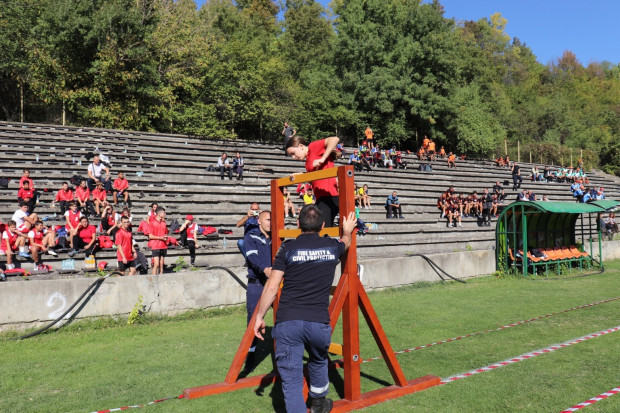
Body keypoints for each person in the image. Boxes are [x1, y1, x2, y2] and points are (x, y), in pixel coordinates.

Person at [253, 206, 356, 413]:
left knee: (291, 381)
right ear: (323, 226)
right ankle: (318, 403)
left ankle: (311, 405)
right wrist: (346, 231)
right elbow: (345, 243)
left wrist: (259, 316)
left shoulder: (287, 248)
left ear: (298, 225)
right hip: (318, 322)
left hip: (289, 322)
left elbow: (272, 286)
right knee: (318, 361)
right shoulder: (331, 246)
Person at [286, 135, 340, 227]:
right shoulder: (307, 163)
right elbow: (313, 180)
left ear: (301, 146)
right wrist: (301, 175)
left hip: (329, 196)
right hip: (320, 198)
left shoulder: (313, 147)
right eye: (291, 155)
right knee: (321, 231)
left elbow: (335, 139)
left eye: (293, 153)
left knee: (321, 231)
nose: (293, 157)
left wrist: (322, 158)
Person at [242, 210, 272, 374]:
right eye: (268, 220)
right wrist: (265, 269)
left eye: (272, 220)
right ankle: (249, 359)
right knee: (252, 323)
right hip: (257, 285)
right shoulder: (251, 236)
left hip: (274, 285)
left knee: (284, 317)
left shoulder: (276, 238)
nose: (270, 222)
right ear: (259, 221)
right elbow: (252, 258)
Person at [148, 207, 168, 275]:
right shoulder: (152, 223)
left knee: (161, 264)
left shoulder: (164, 223)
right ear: (159, 214)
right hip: (156, 245)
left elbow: (165, 233)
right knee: (156, 264)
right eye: (163, 212)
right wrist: (161, 238)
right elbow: (150, 236)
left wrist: (165, 237)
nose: (165, 214)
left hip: (163, 245)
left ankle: (161, 276)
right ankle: (154, 279)